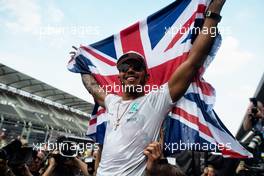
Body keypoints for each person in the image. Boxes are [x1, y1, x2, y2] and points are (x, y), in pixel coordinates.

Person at [74, 0, 226, 175]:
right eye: (124, 67)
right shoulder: (111, 102)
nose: (130, 69)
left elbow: (193, 62)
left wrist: (214, 12)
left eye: (136, 67)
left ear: (146, 77)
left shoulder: (157, 100)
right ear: (120, 77)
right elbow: (92, 87)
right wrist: (81, 64)